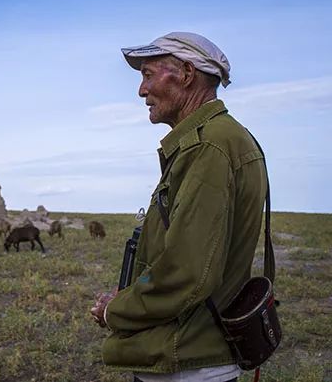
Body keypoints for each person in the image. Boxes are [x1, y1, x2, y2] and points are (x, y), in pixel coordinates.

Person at [90, 32, 268, 382]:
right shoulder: (223, 138)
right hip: (194, 352)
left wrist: (115, 310)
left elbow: (187, 272)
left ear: (186, 74)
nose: (141, 91)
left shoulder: (209, 147)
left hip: (186, 361)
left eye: (148, 75)